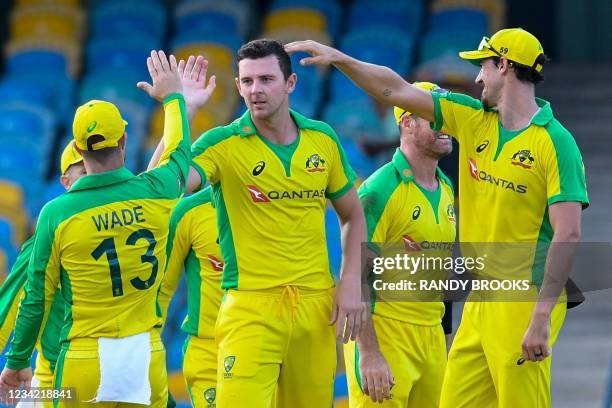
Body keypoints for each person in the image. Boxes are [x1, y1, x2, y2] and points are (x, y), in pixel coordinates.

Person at [287, 27, 588, 408]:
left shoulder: (555, 143)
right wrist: (343, 59)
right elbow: (395, 91)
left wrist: (542, 316)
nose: (477, 77)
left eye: (483, 66)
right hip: (481, 297)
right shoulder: (473, 119)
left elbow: (569, 233)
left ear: (505, 65)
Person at [0, 51, 203, 407]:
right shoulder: (155, 193)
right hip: (143, 357)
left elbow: (32, 299)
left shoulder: (57, 215)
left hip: (79, 362)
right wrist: (176, 101)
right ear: (125, 141)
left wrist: (15, 363)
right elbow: (178, 155)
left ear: (78, 149)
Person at [187, 38, 367, 407]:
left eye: (266, 79)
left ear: (290, 83)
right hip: (251, 308)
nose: (256, 90)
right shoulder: (222, 144)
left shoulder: (322, 139)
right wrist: (183, 111)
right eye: (247, 81)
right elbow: (166, 184)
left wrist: (350, 283)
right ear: (237, 86)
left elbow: (353, 214)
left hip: (316, 308)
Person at [345, 82, 455, 407]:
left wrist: (441, 341)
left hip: (431, 340)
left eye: (445, 114)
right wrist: (369, 353)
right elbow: (355, 275)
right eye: (432, 115)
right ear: (407, 122)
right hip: (385, 337)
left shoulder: (447, 188)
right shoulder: (379, 191)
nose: (445, 123)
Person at [0, 142, 84, 406]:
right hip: (58, 384)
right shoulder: (47, 239)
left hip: (81, 382)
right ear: (66, 182)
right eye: (85, 172)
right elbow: (9, 308)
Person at [157, 185, 223, 408]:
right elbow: (160, 293)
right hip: (209, 352)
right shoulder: (189, 211)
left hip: (269, 347)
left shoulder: (277, 203)